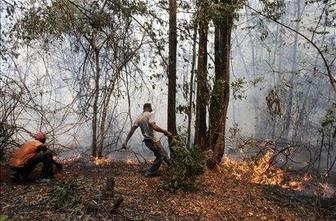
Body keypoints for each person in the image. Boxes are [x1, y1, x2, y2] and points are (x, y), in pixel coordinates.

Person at [122, 103, 172, 177]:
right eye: (150, 108)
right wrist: (165, 131)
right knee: (161, 156)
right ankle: (149, 172)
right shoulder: (150, 114)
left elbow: (132, 130)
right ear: (148, 108)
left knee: (164, 154)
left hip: (148, 142)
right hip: (153, 141)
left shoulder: (139, 117)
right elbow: (153, 126)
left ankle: (172, 168)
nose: (151, 110)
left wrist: (126, 141)